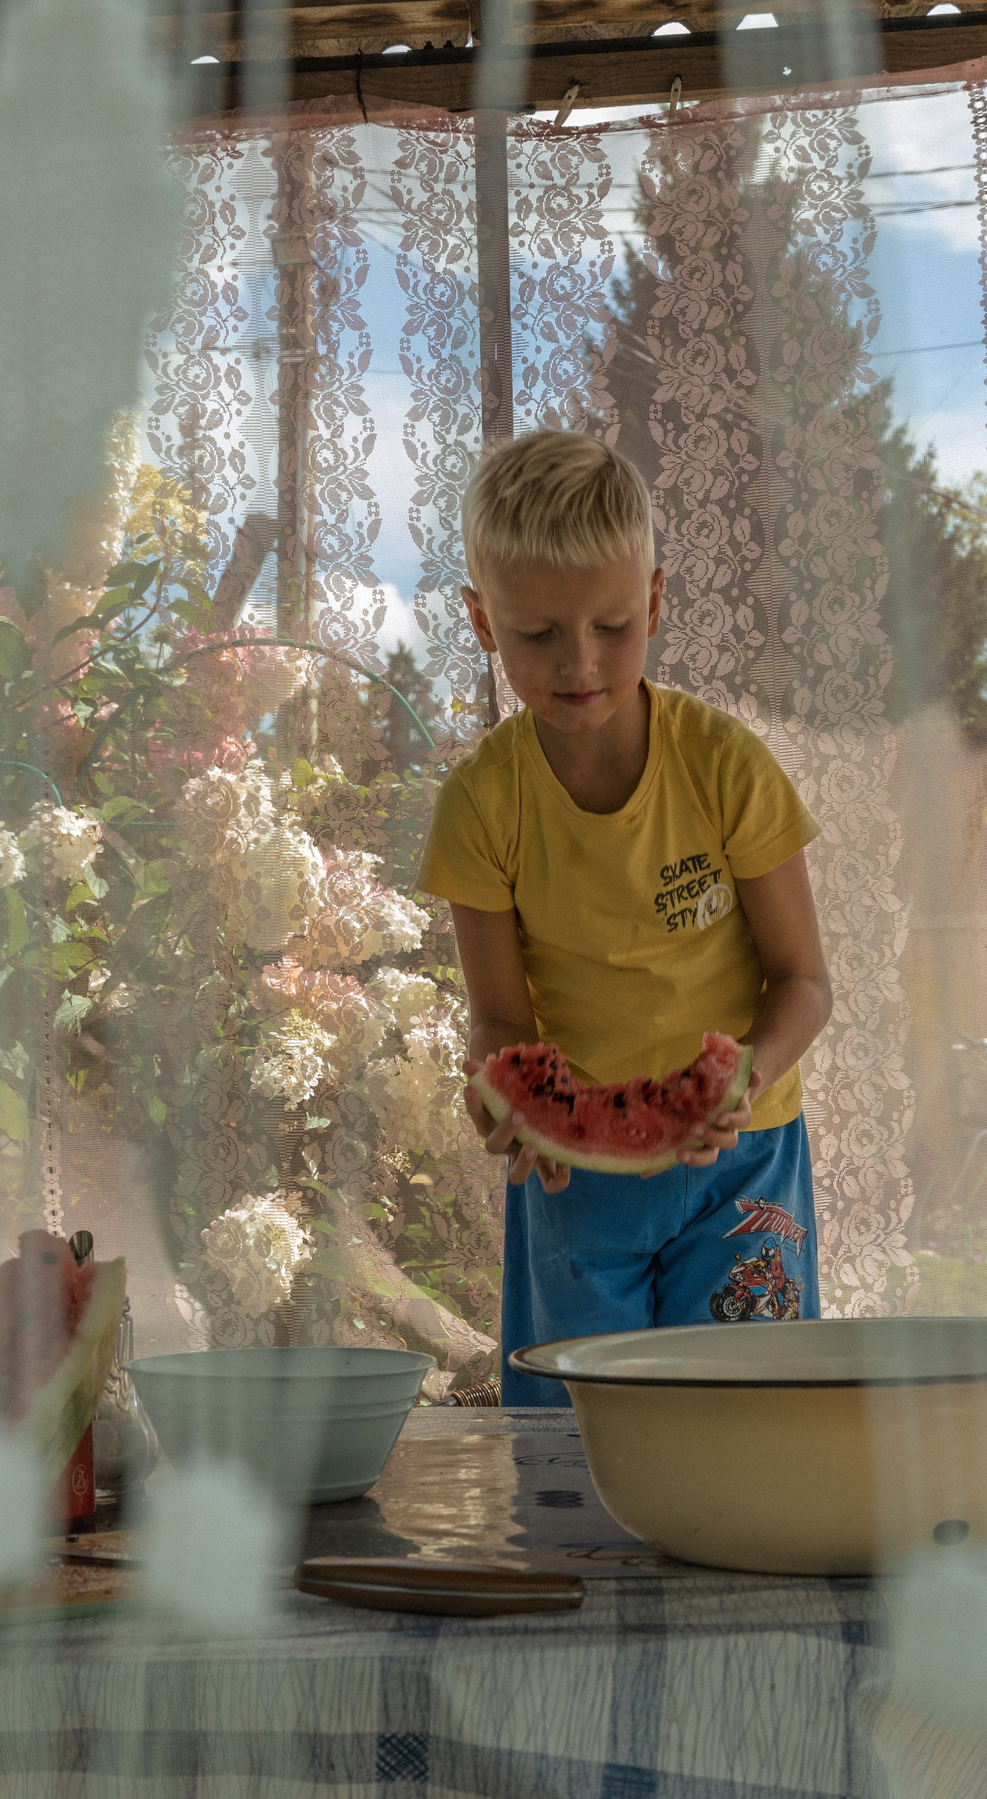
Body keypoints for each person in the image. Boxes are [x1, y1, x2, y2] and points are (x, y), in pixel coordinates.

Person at [418, 430, 834, 1406]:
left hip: (745, 1161)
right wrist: (498, 1097)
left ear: (652, 602)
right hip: (572, 1183)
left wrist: (741, 1081)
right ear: (481, 621)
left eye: (611, 625)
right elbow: (501, 1021)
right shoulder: (482, 803)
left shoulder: (725, 767)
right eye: (536, 634)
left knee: (743, 1422)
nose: (580, 662)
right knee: (572, 1437)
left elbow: (804, 983)